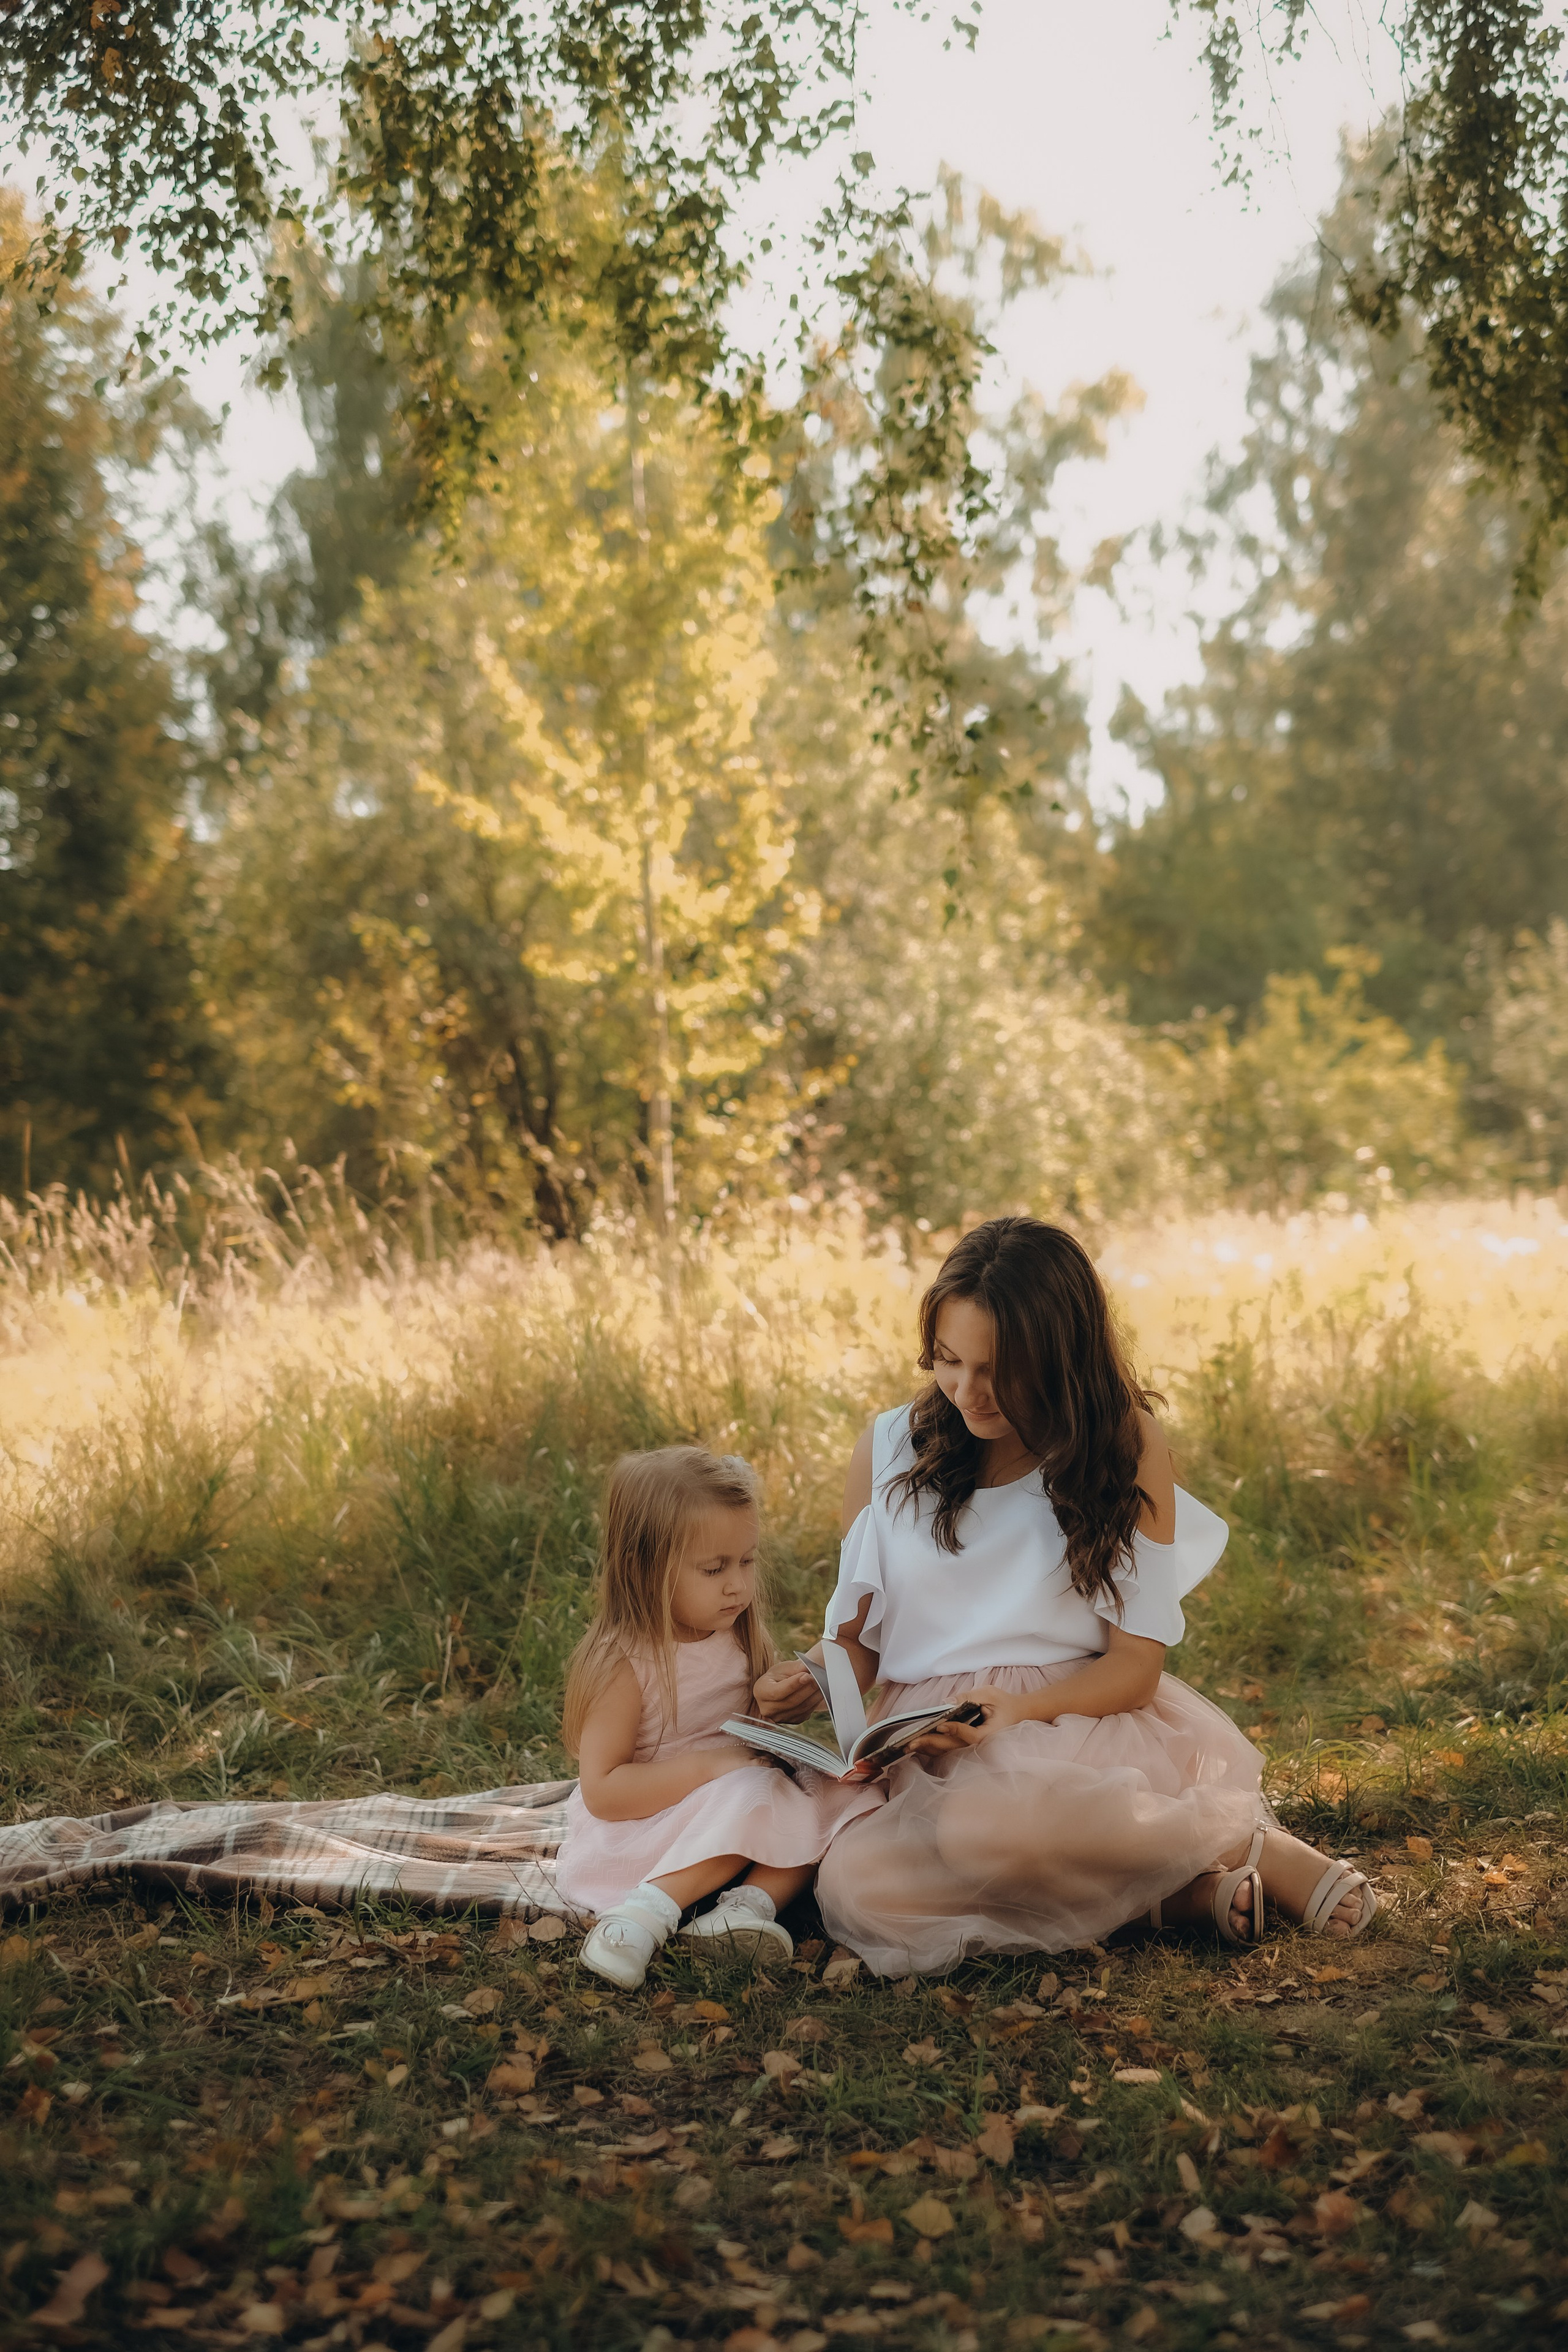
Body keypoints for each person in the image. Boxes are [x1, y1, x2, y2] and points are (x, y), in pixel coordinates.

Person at [753, 1216, 1376, 1977]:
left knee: (984, 1830)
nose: (967, 1392)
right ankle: (1169, 1901)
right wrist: (814, 1678)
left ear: (1059, 1357)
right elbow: (862, 1641)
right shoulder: (887, 1448)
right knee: (861, 1891)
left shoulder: (1121, 1443)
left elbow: (1135, 1666)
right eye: (949, 1360)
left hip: (1071, 1716)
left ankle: (1240, 1844)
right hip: (925, 1738)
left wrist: (1011, 1712)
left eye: (997, 1371)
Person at [557, 1446, 883, 1989]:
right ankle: (643, 1914)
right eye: (715, 1569)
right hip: (647, 1828)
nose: (737, 1584)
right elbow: (604, 1791)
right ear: (648, 1569)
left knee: (843, 1793)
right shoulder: (624, 1661)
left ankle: (744, 1910)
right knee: (750, 1791)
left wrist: (771, 1702)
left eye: (747, 1561)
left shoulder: (735, 1635)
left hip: (735, 1802)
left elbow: (745, 1736)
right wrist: (717, 1768)